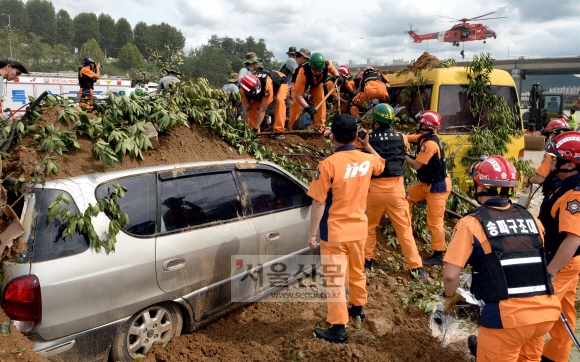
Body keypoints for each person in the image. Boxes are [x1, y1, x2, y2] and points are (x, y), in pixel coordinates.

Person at [442, 155, 560, 361]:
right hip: (546, 313)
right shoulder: (531, 218)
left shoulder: (471, 223)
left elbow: (451, 276)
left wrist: (450, 297)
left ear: (479, 185)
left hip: (508, 319)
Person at [307, 113, 385, 344]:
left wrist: (312, 234)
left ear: (333, 138)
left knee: (334, 279)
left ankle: (338, 328)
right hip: (359, 229)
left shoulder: (328, 164)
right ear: (356, 135)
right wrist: (368, 146)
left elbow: (319, 202)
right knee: (356, 271)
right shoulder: (367, 160)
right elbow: (382, 165)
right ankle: (358, 308)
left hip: (334, 232)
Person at [364, 104, 427, 278]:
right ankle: (416, 267)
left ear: (375, 120)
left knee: (369, 227)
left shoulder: (366, 138)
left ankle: (367, 260)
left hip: (373, 190)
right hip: (396, 191)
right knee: (404, 229)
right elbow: (403, 152)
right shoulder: (401, 137)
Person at [537, 131, 580, 362]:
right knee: (564, 311)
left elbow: (573, 239)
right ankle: (556, 357)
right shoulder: (564, 185)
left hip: (561, 262)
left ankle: (522, 356)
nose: (551, 162)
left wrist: (550, 272)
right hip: (567, 262)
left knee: (536, 312)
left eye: (556, 159)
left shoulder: (574, 195)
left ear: (571, 163)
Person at [405, 110, 451, 265]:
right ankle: (406, 231)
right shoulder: (424, 138)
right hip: (427, 183)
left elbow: (417, 165)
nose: (416, 124)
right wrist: (395, 138)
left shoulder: (429, 145)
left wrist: (401, 154)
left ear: (423, 125)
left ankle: (439, 253)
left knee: (434, 221)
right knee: (405, 197)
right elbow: (408, 138)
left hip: (438, 187)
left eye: (419, 122)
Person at [291, 52, 343, 129]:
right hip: (302, 84)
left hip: (316, 84)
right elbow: (298, 95)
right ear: (311, 67)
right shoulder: (303, 72)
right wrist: (308, 107)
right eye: (315, 71)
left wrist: (338, 76)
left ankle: (320, 126)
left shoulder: (325, 63)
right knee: (296, 103)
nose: (318, 73)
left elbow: (333, 70)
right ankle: (293, 128)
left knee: (321, 100)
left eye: (320, 70)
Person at [239, 69, 288, 139]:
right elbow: (245, 110)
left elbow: (262, 110)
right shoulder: (242, 91)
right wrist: (247, 128)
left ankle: (279, 131)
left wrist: (255, 128)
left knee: (280, 100)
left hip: (280, 82)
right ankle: (253, 134)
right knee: (251, 107)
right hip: (261, 89)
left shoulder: (267, 86)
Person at [528, 118, 570, 196]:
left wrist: (529, 180)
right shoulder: (571, 152)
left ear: (552, 135)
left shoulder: (552, 154)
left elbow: (539, 179)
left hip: (554, 193)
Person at [288, 48, 311, 129]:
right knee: (296, 107)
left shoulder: (304, 67)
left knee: (297, 107)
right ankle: (292, 129)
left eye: (298, 55)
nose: (295, 58)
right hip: (291, 90)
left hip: (296, 91)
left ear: (304, 57)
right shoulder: (299, 68)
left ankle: (294, 129)